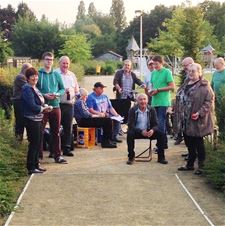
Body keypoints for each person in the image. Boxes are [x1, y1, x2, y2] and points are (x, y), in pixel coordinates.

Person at [176, 63, 214, 175]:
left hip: (197, 120)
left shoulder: (204, 86)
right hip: (185, 119)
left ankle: (202, 166)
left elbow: (209, 101)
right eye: (189, 71)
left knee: (198, 143)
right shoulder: (186, 83)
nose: (191, 73)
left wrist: (200, 112)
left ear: (199, 73)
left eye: (193, 71)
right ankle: (190, 164)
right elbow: (180, 96)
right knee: (188, 142)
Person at [37, 52, 67, 164]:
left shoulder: (56, 74)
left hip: (55, 106)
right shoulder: (39, 74)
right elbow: (34, 89)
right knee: (40, 132)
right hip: (43, 107)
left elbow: (62, 89)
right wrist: (44, 95)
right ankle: (38, 157)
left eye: (51, 59)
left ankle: (57, 156)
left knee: (56, 132)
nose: (49, 61)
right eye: (47, 59)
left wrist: (57, 94)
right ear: (43, 60)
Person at [22, 67, 52, 174]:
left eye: (36, 76)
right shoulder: (27, 88)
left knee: (38, 142)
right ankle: (31, 167)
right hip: (31, 120)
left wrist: (46, 106)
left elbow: (40, 102)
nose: (35, 78)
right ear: (28, 78)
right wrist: (43, 109)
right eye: (32, 76)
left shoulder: (35, 88)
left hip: (38, 119)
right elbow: (32, 106)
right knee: (34, 143)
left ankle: (36, 165)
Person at [126, 93, 167, 165]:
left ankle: (161, 157)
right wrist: (141, 131)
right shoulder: (132, 110)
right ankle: (131, 157)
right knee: (129, 134)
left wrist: (152, 130)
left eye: (144, 99)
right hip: (137, 131)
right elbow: (130, 125)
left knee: (161, 134)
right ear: (137, 101)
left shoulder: (151, 109)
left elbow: (156, 124)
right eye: (140, 99)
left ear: (147, 101)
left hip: (148, 131)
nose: (143, 101)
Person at [149, 55, 175, 153]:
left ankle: (160, 146)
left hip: (163, 101)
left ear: (161, 63)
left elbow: (172, 86)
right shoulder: (153, 73)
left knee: (161, 124)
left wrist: (158, 90)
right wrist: (151, 91)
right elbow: (153, 85)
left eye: (156, 64)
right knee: (156, 124)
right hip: (154, 101)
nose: (154, 66)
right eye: (153, 64)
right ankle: (163, 144)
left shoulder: (167, 72)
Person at [55, 56, 80, 157]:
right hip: (58, 104)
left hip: (69, 104)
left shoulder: (72, 75)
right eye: (63, 63)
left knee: (68, 127)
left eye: (67, 63)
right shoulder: (55, 74)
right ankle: (54, 150)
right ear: (59, 63)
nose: (65, 65)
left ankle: (67, 148)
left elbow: (77, 89)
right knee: (55, 128)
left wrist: (79, 95)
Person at [174, 57, 195, 145]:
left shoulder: (194, 75)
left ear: (191, 64)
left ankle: (193, 153)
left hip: (191, 106)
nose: (184, 68)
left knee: (190, 130)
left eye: (185, 65)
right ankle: (190, 151)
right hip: (184, 105)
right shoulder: (187, 74)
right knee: (184, 127)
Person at [12, 63, 32, 141]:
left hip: (22, 102)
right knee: (20, 122)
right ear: (25, 69)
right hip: (19, 101)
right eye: (30, 69)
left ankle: (19, 140)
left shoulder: (23, 77)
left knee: (22, 121)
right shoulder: (20, 77)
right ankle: (18, 141)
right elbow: (29, 87)